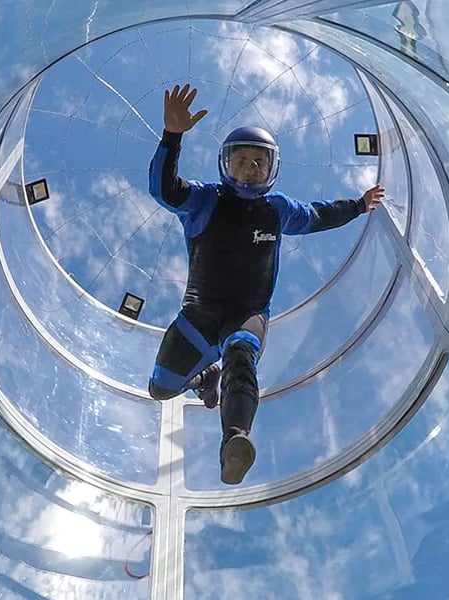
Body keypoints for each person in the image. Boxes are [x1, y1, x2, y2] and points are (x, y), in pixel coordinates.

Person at [144, 84, 384, 485]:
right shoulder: (206, 200)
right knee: (160, 390)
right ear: (225, 166)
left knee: (241, 355)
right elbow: (165, 190)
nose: (250, 170)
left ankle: (234, 440)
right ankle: (206, 378)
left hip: (247, 315)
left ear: (272, 170)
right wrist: (173, 135)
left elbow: (318, 215)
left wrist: (358, 206)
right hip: (197, 317)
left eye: (260, 162)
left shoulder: (278, 210)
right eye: (241, 161)